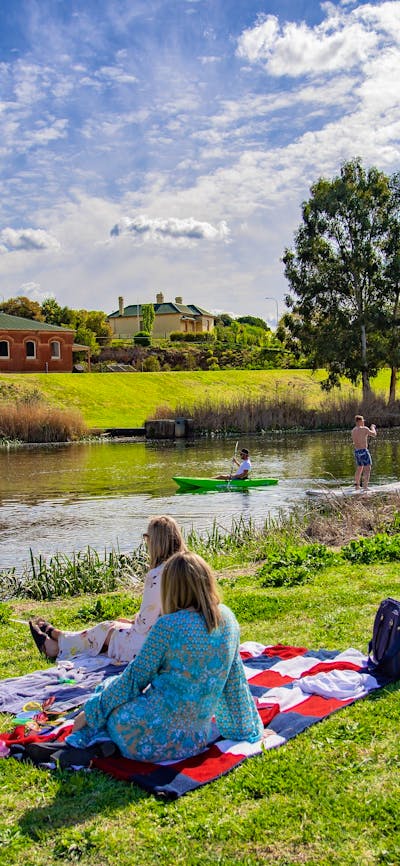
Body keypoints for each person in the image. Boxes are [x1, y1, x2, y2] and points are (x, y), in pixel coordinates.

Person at [66, 551, 264, 761]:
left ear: (171, 587)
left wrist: (89, 713)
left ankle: (87, 733)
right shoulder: (228, 619)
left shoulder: (168, 626)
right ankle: (95, 735)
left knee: (109, 690)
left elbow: (134, 679)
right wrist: (246, 729)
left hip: (147, 740)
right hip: (194, 740)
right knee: (113, 693)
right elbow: (235, 682)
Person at [28, 515, 187, 664]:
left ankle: (56, 642)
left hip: (153, 646)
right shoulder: (187, 568)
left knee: (106, 628)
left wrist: (134, 621)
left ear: (155, 542)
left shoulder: (157, 575)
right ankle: (58, 640)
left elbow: (144, 624)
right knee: (110, 629)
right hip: (179, 640)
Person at [351, 415, 377, 490]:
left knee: (359, 468)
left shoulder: (353, 430)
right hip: (364, 451)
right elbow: (374, 434)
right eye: (363, 421)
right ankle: (365, 487)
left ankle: (357, 486)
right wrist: (372, 427)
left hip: (357, 451)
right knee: (368, 468)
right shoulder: (364, 429)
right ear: (359, 421)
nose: (363, 422)